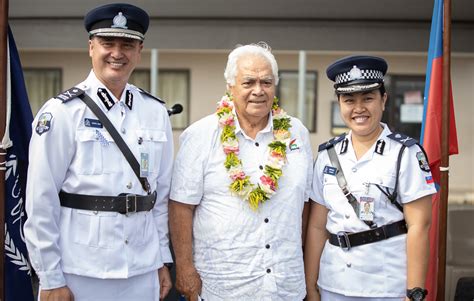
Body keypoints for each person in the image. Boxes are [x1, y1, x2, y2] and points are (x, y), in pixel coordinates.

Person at [24, 3, 173, 301]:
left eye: (127, 44)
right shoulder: (63, 112)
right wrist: (50, 277)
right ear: (91, 47)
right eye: (108, 43)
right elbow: (41, 201)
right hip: (80, 270)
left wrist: (161, 260)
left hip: (142, 270)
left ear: (139, 50)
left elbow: (160, 196)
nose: (117, 53)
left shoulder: (155, 112)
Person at [169, 42, 313, 301]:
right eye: (248, 83)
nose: (258, 91)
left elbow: (303, 205)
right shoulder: (201, 135)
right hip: (223, 287)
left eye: (266, 82)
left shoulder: (297, 133)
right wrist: (185, 269)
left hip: (285, 286)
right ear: (230, 86)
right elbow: (181, 206)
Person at [304, 55, 437, 301]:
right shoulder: (327, 155)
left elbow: (420, 225)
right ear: (339, 103)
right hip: (333, 284)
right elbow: (316, 226)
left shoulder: (405, 153)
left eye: (368, 98)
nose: (359, 108)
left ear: (383, 100)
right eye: (349, 100)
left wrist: (415, 292)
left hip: (386, 287)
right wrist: (311, 286)